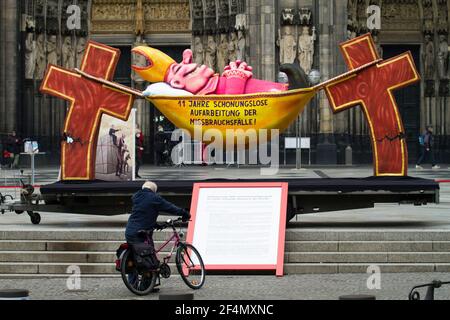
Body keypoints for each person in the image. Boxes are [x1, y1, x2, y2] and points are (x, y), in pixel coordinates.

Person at [125, 181, 191, 245]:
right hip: (141, 234)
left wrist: (155, 224)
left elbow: (143, 215)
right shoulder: (154, 198)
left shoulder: (137, 198)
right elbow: (170, 207)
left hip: (129, 231)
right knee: (150, 253)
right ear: (154, 190)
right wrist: (184, 213)